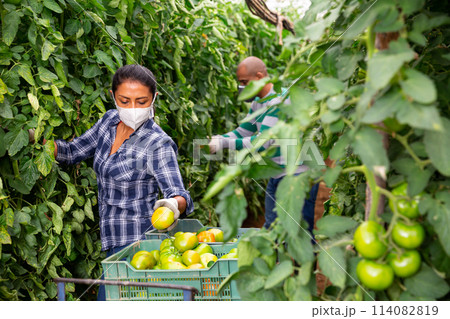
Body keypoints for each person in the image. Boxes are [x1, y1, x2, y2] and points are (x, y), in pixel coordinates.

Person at [51, 64, 193, 300]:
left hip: (138, 246)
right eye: (125, 101)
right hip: (111, 242)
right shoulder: (108, 122)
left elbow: (180, 194)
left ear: (154, 98)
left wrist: (173, 206)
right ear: (113, 97)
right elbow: (72, 151)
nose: (133, 108)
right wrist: (37, 139)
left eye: (142, 101)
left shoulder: (157, 143)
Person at [209, 56, 318, 232]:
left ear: (259, 77)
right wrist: (218, 139)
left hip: (297, 175)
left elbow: (262, 143)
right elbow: (243, 131)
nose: (241, 87)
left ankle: (303, 260)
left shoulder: (279, 101)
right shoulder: (258, 103)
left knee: (299, 232)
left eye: (244, 82)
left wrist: (223, 143)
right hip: (277, 174)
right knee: (271, 229)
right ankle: (277, 258)